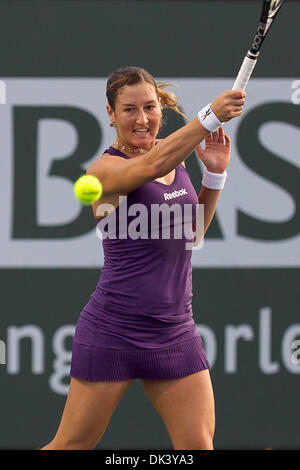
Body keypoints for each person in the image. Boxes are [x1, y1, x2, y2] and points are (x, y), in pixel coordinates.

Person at [40, 66, 245, 450]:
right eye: (129, 109)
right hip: (114, 328)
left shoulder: (174, 158)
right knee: (72, 444)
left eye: (150, 107)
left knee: (198, 445)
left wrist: (214, 177)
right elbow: (151, 167)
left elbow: (192, 234)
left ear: (160, 109)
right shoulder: (104, 170)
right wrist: (210, 116)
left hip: (174, 330)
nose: (142, 118)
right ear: (111, 114)